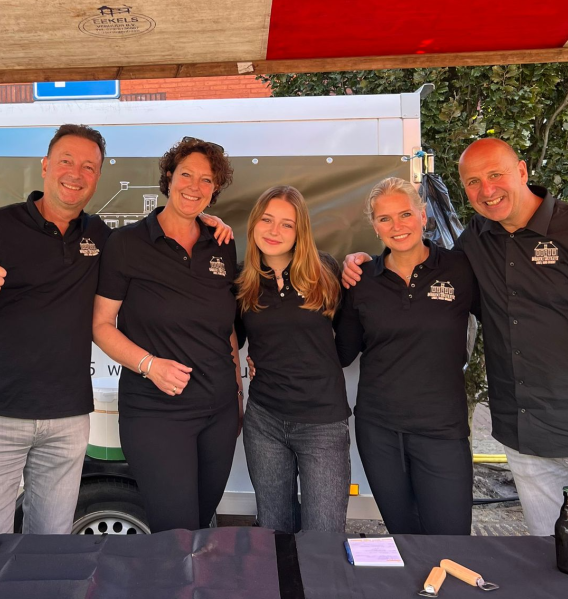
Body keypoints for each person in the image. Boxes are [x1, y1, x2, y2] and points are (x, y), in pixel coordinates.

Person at [343, 138, 568, 536]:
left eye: (496, 175)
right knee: (554, 562)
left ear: (521, 171)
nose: (487, 190)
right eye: (473, 182)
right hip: (528, 438)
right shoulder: (474, 244)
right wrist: (356, 266)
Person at [0, 125, 233, 535]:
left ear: (98, 177)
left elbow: (166, 230)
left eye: (89, 166)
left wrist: (201, 215)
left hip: (66, 417)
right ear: (46, 166)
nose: (76, 173)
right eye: (66, 161)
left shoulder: (102, 237)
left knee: (52, 547)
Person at [92, 137, 242, 533]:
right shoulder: (126, 244)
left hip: (220, 414)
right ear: (169, 179)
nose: (194, 186)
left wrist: (238, 396)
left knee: (200, 521)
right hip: (157, 412)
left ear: (215, 189)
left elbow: (225, 328)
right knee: (176, 532)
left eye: (206, 180)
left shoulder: (221, 245)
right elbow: (101, 325)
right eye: (186, 175)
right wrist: (149, 365)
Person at [333, 177, 478, 535]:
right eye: (385, 219)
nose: (397, 226)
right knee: (404, 536)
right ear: (374, 226)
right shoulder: (362, 280)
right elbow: (340, 352)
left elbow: (508, 318)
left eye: (405, 214)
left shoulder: (459, 269)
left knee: (451, 538)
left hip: (442, 431)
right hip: (380, 431)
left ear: (423, 215)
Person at [234, 185, 350, 533]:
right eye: (267, 220)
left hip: (323, 424)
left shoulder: (326, 271)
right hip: (264, 421)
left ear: (301, 232)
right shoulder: (242, 281)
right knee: (273, 528)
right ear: (253, 224)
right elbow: (231, 339)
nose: (274, 231)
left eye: (287, 224)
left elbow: (348, 341)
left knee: (325, 533)